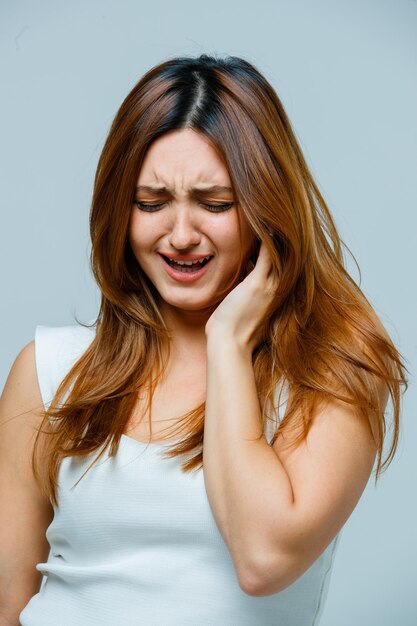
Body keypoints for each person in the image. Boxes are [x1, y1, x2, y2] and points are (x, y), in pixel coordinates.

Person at [0, 54, 408, 626]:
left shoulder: (333, 372)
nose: (182, 234)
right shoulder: (48, 370)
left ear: (269, 210)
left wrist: (228, 343)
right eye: (152, 203)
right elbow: (7, 602)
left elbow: (264, 559)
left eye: (215, 204)